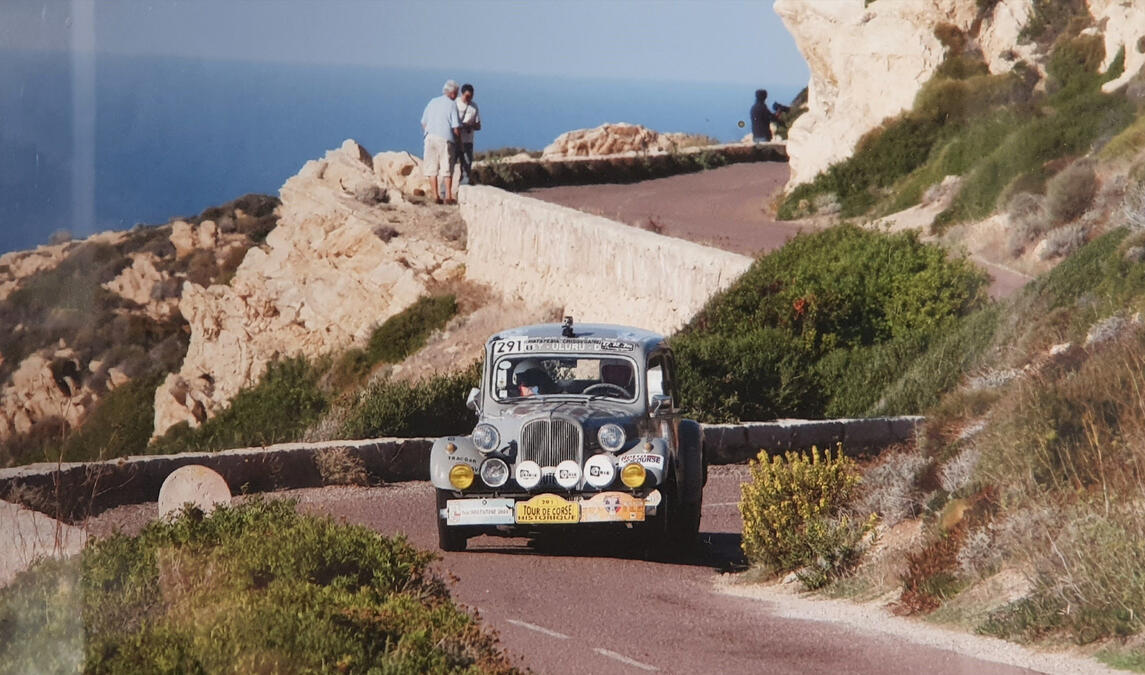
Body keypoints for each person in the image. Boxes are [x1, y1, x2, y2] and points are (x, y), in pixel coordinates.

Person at [420, 80, 461, 204]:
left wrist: (429, 132)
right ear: (453, 93)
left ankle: (435, 196)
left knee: (431, 168)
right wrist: (458, 142)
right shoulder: (452, 105)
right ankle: (448, 196)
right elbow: (455, 127)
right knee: (446, 168)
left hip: (429, 137)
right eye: (456, 93)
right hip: (445, 139)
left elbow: (423, 122)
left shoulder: (433, 101)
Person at [453, 83, 481, 186]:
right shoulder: (454, 104)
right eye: (467, 96)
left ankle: (463, 189)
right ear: (462, 94)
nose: (469, 99)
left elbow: (479, 126)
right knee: (450, 166)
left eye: (471, 96)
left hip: (468, 141)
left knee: (466, 166)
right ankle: (445, 192)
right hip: (455, 140)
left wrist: (470, 126)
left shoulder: (474, 107)